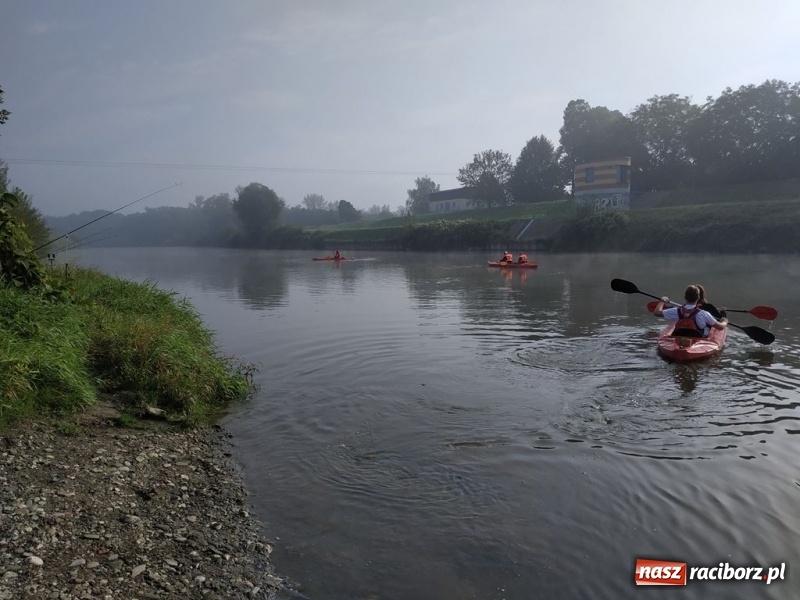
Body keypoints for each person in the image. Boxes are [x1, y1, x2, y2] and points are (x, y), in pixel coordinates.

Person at [654, 284, 727, 337]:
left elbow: (656, 313)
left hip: (679, 337)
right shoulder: (704, 314)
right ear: (698, 298)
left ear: (685, 297)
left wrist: (662, 301)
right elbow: (720, 327)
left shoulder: (676, 311)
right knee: (707, 328)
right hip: (697, 339)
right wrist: (725, 321)